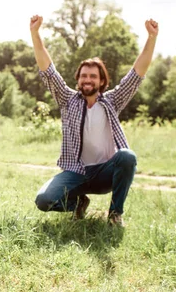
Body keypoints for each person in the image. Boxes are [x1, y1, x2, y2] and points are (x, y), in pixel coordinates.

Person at [29, 14, 159, 226]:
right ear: (78, 79)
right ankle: (78, 202)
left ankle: (115, 214)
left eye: (92, 76)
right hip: (75, 172)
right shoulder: (67, 99)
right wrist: (35, 34)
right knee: (44, 200)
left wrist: (151, 38)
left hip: (104, 173)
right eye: (83, 76)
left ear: (101, 81)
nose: (87, 79)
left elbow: (137, 74)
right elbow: (48, 71)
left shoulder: (112, 101)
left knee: (127, 156)